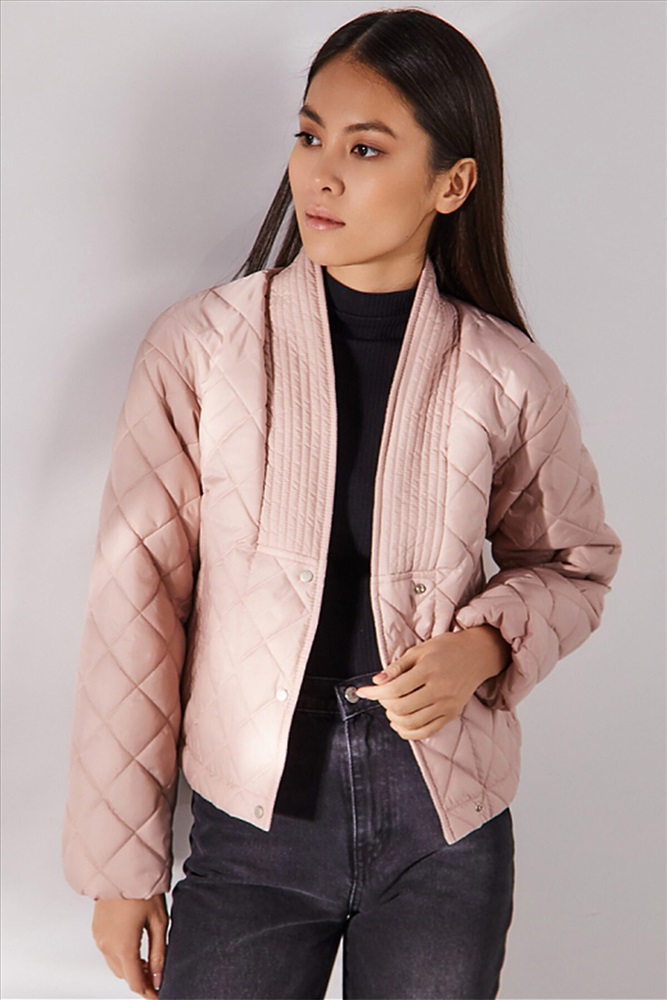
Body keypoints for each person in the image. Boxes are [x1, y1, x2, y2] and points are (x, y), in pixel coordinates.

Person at [62, 9, 622, 1000]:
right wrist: (121, 867)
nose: (319, 173)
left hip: (444, 823)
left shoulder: (508, 376)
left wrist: (485, 647)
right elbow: (134, 606)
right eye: (310, 134)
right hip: (253, 820)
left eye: (365, 149)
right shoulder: (199, 350)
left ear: (451, 184)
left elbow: (573, 566)